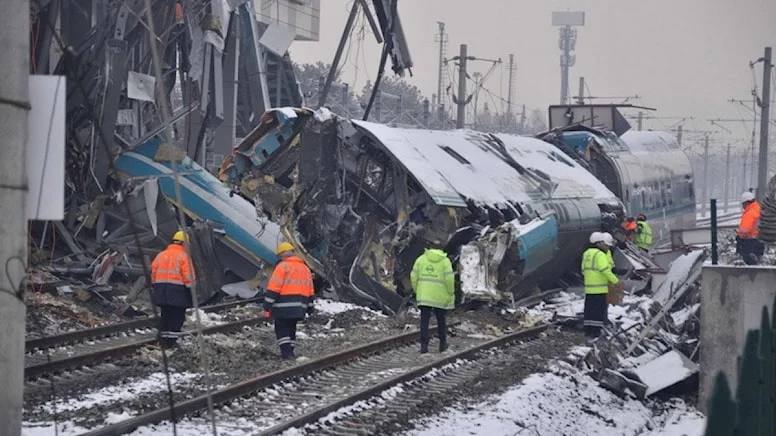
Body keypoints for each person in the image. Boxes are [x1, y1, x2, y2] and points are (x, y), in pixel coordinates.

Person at [264, 242, 315, 359]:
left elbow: (274, 287)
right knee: (291, 328)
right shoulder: (305, 269)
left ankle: (287, 354)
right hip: (300, 306)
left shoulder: (282, 267)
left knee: (282, 329)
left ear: (282, 255)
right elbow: (310, 290)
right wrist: (310, 307)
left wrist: (267, 305)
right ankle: (290, 351)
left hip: (283, 306)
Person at [151, 230, 195, 349]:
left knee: (165, 314)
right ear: (184, 243)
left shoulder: (161, 254)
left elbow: (153, 272)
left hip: (161, 289)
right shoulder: (183, 256)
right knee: (177, 316)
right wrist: (192, 291)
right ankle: (172, 341)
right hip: (177, 290)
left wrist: (155, 285)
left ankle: (163, 340)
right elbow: (188, 276)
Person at [410, 243, 455, 354]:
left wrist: (417, 290)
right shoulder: (445, 261)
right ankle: (442, 344)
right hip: (440, 296)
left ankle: (424, 347)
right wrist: (451, 292)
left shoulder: (421, 259)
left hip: (424, 295)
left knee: (424, 321)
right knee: (441, 320)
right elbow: (449, 279)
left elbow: (413, 276)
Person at [581, 232, 621, 342]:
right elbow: (605, 270)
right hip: (600, 288)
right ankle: (595, 331)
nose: (607, 247)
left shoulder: (586, 254)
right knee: (598, 310)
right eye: (606, 245)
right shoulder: (600, 255)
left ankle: (588, 330)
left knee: (589, 309)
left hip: (589, 288)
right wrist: (615, 281)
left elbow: (583, 271)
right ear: (599, 243)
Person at [736, 191, 764, 265]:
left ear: (746, 203)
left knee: (749, 264)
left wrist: (739, 234)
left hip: (749, 243)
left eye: (743, 204)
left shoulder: (750, 213)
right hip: (759, 241)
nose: (743, 206)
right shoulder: (758, 209)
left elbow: (745, 230)